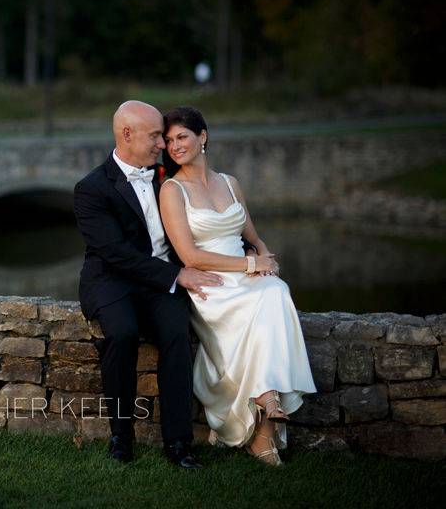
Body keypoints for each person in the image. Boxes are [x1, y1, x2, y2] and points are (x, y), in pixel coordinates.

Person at [158, 106, 317, 466]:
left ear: (203, 136)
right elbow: (190, 255)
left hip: (245, 274)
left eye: (182, 136)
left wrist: (265, 259)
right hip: (209, 283)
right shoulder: (172, 190)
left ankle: (265, 418)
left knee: (276, 290)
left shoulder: (230, 183)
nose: (175, 145)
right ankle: (267, 409)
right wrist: (250, 262)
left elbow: (254, 237)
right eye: (169, 141)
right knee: (262, 303)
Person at [72, 100, 226, 469]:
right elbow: (117, 254)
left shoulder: (165, 174)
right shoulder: (91, 188)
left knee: (176, 333)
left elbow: (211, 208)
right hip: (113, 281)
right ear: (127, 134)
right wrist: (177, 276)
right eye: (156, 136)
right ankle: (120, 436)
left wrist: (241, 247)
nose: (163, 144)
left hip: (159, 282)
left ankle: (178, 444)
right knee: (122, 334)